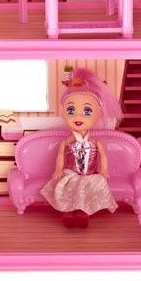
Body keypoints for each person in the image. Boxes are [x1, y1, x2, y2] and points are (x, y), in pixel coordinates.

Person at [40, 68, 123, 228]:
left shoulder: (96, 142)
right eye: (71, 110)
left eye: (87, 111)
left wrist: (104, 169)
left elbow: (103, 156)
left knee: (92, 185)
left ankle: (83, 213)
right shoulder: (67, 142)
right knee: (69, 186)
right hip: (72, 173)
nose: (78, 117)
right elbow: (61, 156)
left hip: (90, 174)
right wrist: (58, 169)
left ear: (98, 114)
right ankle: (69, 212)